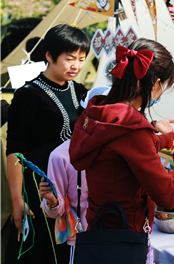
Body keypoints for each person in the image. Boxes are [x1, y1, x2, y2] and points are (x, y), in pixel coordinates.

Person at [69, 39, 174, 239]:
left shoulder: (99, 114)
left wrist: (167, 138)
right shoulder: (131, 127)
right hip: (124, 237)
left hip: (99, 227)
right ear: (155, 85)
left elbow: (126, 148)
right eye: (164, 86)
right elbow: (167, 195)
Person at [6, 24, 90, 264]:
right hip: (40, 185)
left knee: (69, 248)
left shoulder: (79, 90)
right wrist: (16, 198)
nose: (76, 65)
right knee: (43, 250)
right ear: (50, 56)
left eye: (82, 59)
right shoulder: (27, 95)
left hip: (72, 184)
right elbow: (15, 149)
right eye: (69, 58)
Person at [37, 87, 109, 263]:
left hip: (114, 237)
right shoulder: (60, 155)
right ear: (84, 117)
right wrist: (52, 200)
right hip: (79, 241)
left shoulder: (119, 150)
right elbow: (56, 211)